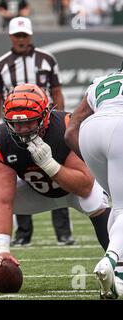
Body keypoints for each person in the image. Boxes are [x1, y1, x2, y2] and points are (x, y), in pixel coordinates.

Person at [0, 84, 110, 293]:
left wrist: (50, 165)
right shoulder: (0, 138)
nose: (21, 130)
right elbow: (3, 198)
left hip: (73, 192)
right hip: (37, 190)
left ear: (45, 116)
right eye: (15, 124)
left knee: (95, 200)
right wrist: (1, 251)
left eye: (29, 122)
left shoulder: (67, 127)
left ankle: (118, 267)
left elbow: (85, 186)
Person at [0, 16, 74, 247]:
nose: (21, 40)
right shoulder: (2, 64)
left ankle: (63, 232)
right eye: (17, 36)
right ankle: (23, 233)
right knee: (18, 177)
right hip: (16, 129)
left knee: (58, 173)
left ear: (30, 35)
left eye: (24, 35)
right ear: (10, 37)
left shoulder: (47, 60)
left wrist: (62, 121)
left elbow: (56, 92)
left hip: (46, 127)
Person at [65, 67, 123, 299]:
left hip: (90, 132)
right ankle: (110, 259)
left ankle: (118, 275)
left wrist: (94, 161)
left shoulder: (102, 81)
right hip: (119, 129)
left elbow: (70, 132)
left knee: (117, 207)